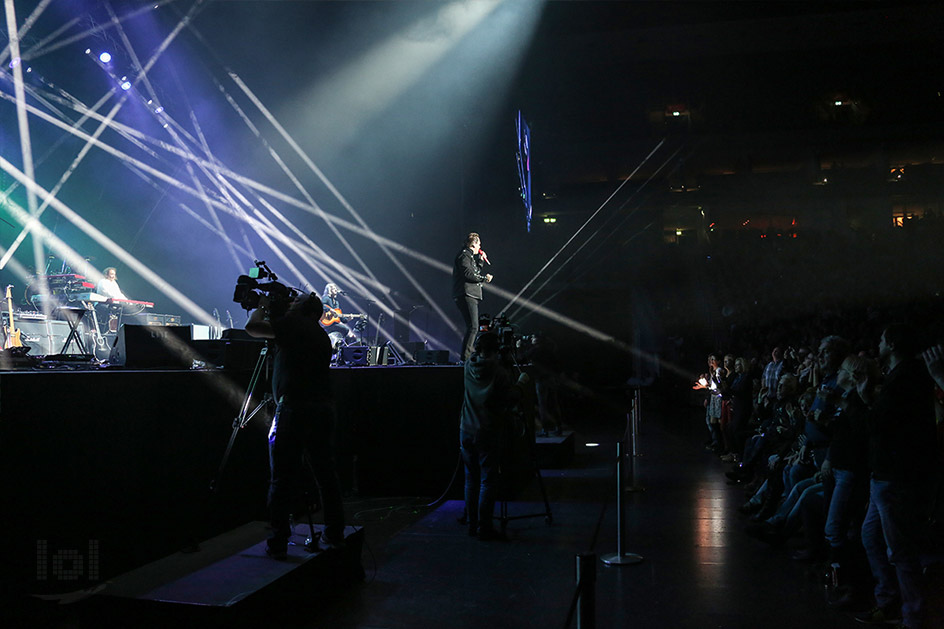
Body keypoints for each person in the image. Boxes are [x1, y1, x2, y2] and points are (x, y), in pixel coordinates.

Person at [245, 291, 346, 558]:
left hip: (294, 409)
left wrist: (261, 307)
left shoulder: (295, 324)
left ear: (308, 311)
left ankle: (278, 541)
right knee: (326, 476)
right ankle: (334, 533)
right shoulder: (320, 335)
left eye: (296, 302)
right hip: (322, 409)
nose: (290, 304)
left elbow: (253, 328)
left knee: (281, 477)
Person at [854, 324, 937, 629]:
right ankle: (888, 600)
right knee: (872, 536)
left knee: (899, 550)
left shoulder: (904, 377)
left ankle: (912, 616)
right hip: (889, 476)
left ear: (890, 342)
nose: (878, 342)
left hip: (894, 478)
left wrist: (865, 399)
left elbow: (881, 423)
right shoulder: (906, 374)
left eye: (881, 337)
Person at [460, 331, 529, 540]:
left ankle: (472, 525)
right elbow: (510, 398)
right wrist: (522, 383)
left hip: (466, 429)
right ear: (496, 351)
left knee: (470, 480)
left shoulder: (467, 366)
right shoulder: (499, 373)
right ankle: (484, 527)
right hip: (487, 430)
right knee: (487, 481)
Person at [452, 232, 492, 362]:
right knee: (473, 326)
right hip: (466, 294)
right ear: (474, 244)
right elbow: (468, 274)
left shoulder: (469, 257)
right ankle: (465, 359)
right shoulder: (464, 255)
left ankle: (466, 357)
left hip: (470, 294)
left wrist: (480, 261)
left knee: (473, 326)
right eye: (479, 244)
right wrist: (484, 278)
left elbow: (474, 273)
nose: (480, 247)